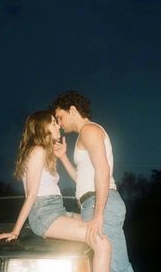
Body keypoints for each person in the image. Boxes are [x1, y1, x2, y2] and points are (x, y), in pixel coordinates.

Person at [0, 110, 111, 272]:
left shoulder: (44, 153)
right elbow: (31, 195)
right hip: (44, 214)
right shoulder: (37, 151)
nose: (58, 126)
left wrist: (63, 156)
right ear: (42, 127)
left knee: (100, 223)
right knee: (103, 243)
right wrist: (15, 231)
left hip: (56, 211)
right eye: (53, 123)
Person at [51, 91, 134, 272]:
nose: (59, 123)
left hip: (101, 203)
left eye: (60, 117)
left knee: (117, 267)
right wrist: (63, 157)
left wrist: (98, 214)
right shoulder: (84, 135)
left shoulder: (90, 130)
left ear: (72, 110)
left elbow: (103, 170)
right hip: (94, 202)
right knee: (111, 265)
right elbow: (81, 179)